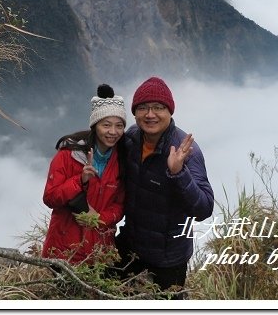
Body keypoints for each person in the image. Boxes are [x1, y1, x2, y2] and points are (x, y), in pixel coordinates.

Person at [113, 76, 214, 295]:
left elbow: (204, 208)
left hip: (168, 259)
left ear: (170, 111)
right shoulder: (131, 139)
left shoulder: (186, 151)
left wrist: (179, 173)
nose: (150, 114)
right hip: (130, 245)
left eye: (158, 107)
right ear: (134, 112)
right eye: (143, 108)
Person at [41, 84, 127, 263]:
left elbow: (120, 205)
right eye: (106, 125)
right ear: (95, 126)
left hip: (100, 253)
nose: (113, 132)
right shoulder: (69, 154)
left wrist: (97, 219)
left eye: (119, 126)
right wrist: (80, 180)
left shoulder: (123, 158)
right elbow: (50, 198)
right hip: (63, 251)